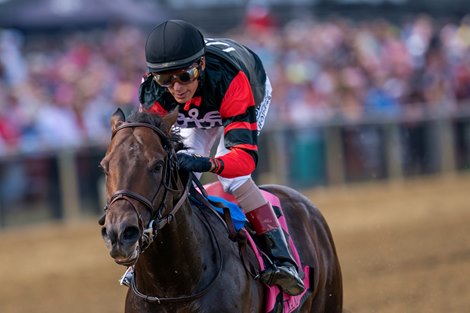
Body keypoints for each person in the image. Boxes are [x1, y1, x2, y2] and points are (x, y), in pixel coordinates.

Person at [131, 19, 304, 296]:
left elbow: (244, 159)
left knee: (233, 178)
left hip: (242, 93)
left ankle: (283, 259)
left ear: (199, 66)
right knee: (175, 176)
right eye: (166, 79)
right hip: (197, 113)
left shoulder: (230, 80)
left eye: (184, 76)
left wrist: (207, 163)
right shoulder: (153, 91)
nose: (176, 88)